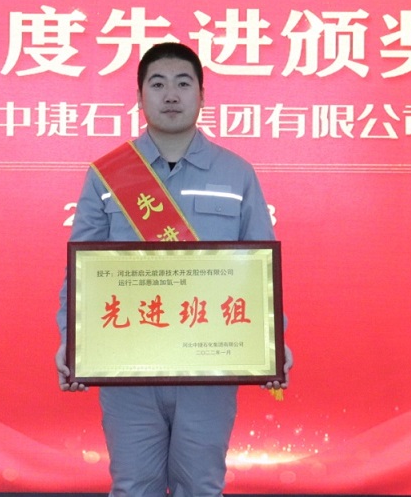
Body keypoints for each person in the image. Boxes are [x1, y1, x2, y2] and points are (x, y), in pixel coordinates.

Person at [56, 42, 292, 497]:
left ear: (202, 95)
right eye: (157, 84)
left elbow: (261, 271)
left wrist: (272, 341)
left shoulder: (237, 174)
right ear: (139, 96)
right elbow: (80, 269)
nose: (170, 95)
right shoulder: (107, 175)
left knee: (201, 485)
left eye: (183, 84)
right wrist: (73, 340)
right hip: (127, 361)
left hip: (210, 363)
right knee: (132, 486)